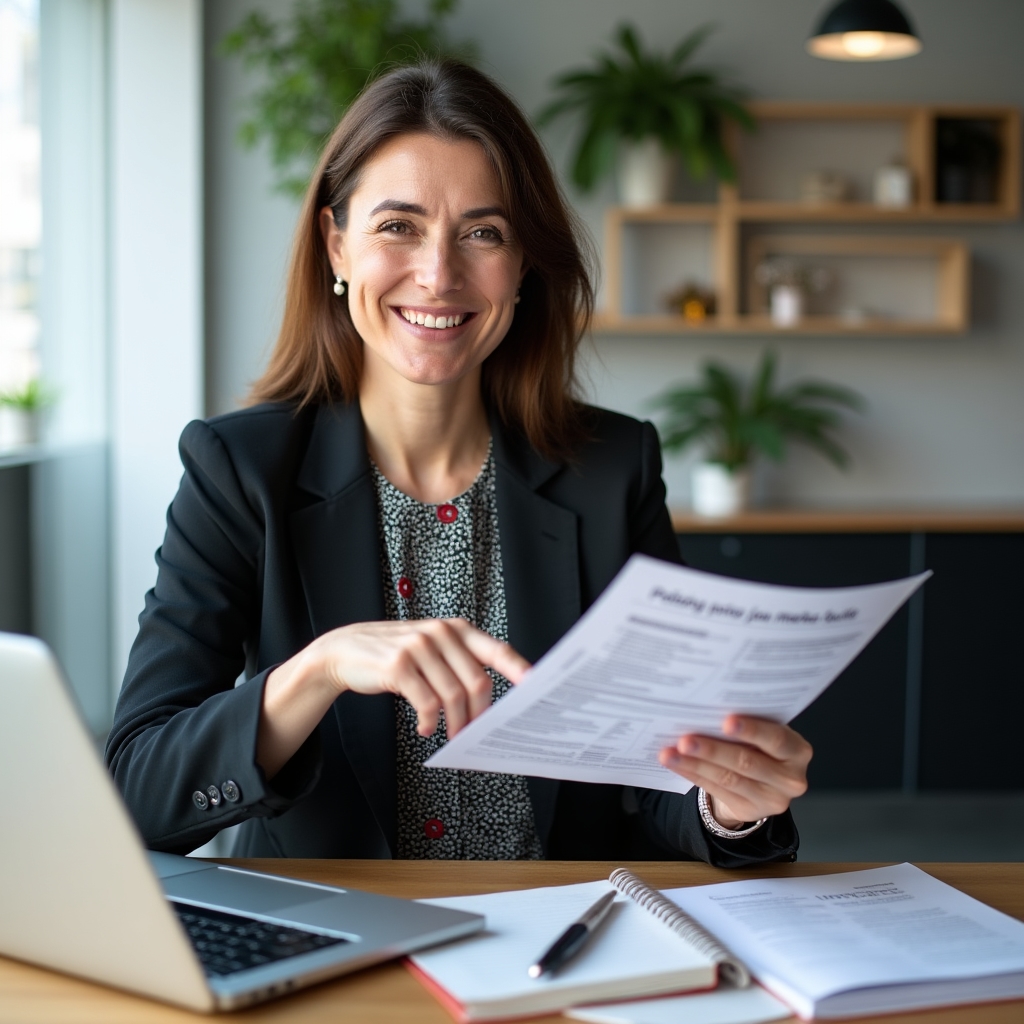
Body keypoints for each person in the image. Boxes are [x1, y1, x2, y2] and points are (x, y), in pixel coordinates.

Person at [105, 59, 810, 865]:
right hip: (337, 930)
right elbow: (137, 797)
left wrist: (727, 804)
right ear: (336, 245)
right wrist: (321, 669)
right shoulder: (237, 469)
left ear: (523, 266)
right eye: (397, 227)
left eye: (483, 233)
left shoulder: (613, 468)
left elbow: (656, 778)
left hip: (560, 925)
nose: (439, 275)